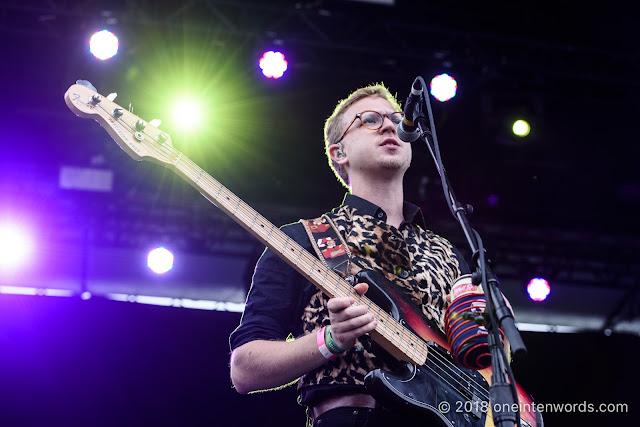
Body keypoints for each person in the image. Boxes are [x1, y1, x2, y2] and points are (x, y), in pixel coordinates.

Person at [229, 84, 470, 426]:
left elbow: (482, 362)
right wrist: (331, 339)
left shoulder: (448, 254)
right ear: (338, 153)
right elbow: (245, 369)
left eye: (397, 119)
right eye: (369, 120)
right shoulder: (302, 240)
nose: (389, 126)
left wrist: (494, 337)